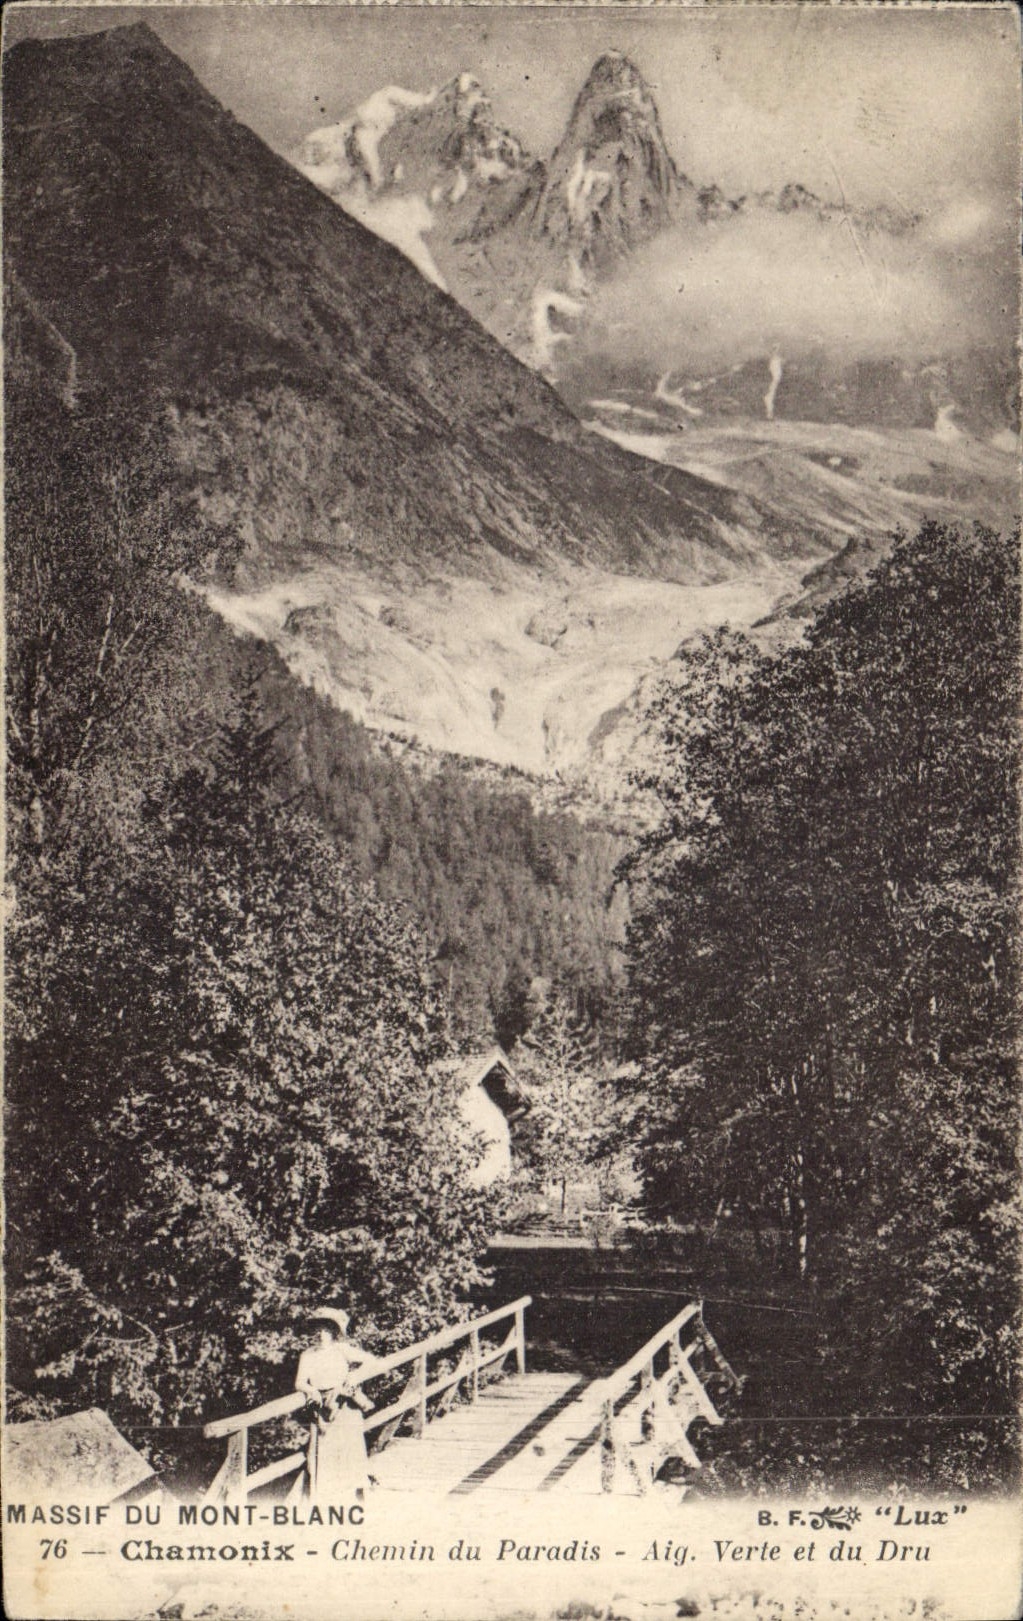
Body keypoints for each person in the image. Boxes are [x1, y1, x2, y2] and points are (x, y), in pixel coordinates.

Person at [294, 1307, 386, 1497]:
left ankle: (355, 1495)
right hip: (325, 1409)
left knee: (350, 1451)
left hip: (345, 1406)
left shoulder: (341, 1350)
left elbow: (372, 1361)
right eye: (318, 1330)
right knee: (326, 1454)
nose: (321, 1335)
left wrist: (354, 1377)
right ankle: (330, 1498)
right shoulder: (308, 1355)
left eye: (327, 1330)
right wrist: (312, 1391)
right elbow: (299, 1382)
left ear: (334, 1332)